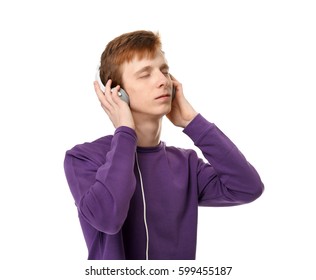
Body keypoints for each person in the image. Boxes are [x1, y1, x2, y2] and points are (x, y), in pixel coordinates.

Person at [63, 30, 264, 260]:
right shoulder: (83, 158)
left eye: (164, 71)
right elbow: (108, 218)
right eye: (145, 74)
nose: (162, 81)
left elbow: (248, 187)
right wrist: (125, 131)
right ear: (119, 94)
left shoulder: (187, 165)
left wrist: (192, 122)